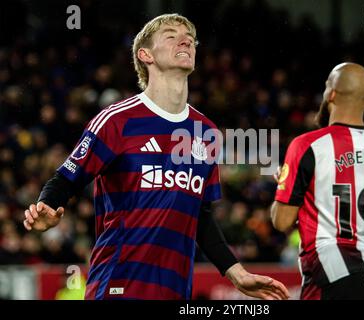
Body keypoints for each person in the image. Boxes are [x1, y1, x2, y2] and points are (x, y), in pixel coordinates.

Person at [23, 13, 289, 300]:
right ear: (145, 54)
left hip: (175, 292)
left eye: (190, 37)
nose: (185, 39)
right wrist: (47, 206)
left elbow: (201, 215)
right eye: (171, 35)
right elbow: (66, 178)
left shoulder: (206, 132)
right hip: (118, 286)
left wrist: (237, 273)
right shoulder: (117, 120)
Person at [270, 62, 364, 300]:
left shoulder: (306, 146)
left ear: (331, 94)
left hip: (333, 273)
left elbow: (281, 222)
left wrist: (286, 185)